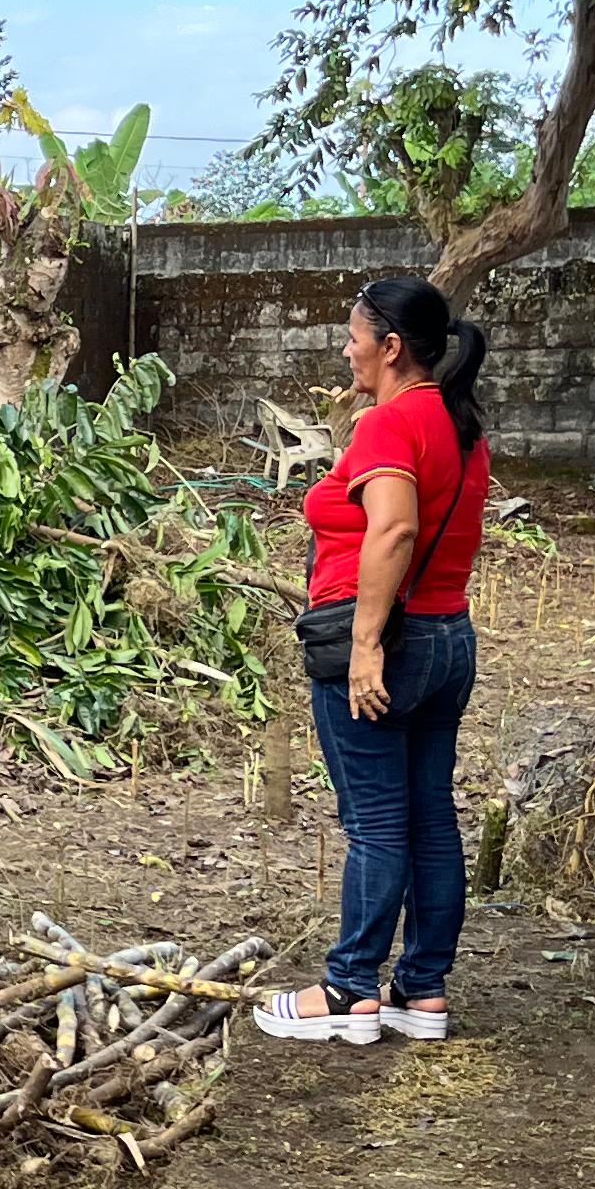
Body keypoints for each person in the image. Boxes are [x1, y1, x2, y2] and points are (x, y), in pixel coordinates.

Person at [259, 274, 493, 1045]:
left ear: (391, 347)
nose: (346, 348)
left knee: (377, 824)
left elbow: (394, 530)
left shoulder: (393, 424)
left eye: (354, 336)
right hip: (448, 637)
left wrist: (364, 647)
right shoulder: (460, 424)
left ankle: (350, 990)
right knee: (430, 816)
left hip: (391, 644)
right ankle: (421, 990)